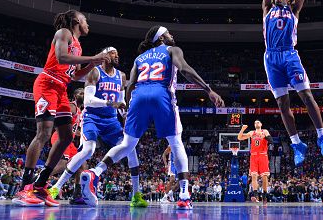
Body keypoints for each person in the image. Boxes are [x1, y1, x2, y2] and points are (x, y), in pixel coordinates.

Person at [80, 26, 224, 209]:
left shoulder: (139, 58)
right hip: (161, 93)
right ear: (161, 39)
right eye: (168, 33)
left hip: (138, 97)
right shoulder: (172, 50)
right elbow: (185, 69)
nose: (172, 35)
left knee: (126, 145)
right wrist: (208, 90)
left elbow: (130, 85)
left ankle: (95, 172)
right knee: (176, 143)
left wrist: (127, 110)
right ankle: (184, 194)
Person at [12, 10, 109, 207]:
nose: (87, 23)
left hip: (62, 88)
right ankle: (25, 187)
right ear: (76, 21)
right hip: (47, 83)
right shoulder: (64, 33)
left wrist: (93, 64)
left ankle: (40, 185)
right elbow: (62, 57)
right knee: (44, 133)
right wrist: (93, 57)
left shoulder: (79, 46)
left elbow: (74, 76)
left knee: (66, 137)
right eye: (85, 20)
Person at [261, 0, 323, 166]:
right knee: (282, 104)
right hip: (271, 58)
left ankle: (322, 137)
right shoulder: (266, 8)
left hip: (290, 55)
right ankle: (296, 143)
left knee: (306, 96)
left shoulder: (294, 10)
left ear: (290, 1)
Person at [49, 47, 127, 204]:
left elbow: (122, 103)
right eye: (113, 53)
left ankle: (94, 173)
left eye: (118, 53)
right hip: (92, 117)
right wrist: (111, 103)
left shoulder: (122, 76)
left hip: (111, 120)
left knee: (127, 146)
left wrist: (126, 115)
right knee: (88, 150)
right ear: (105, 56)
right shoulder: (95, 72)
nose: (116, 55)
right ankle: (56, 187)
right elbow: (88, 101)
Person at [46, 87, 85, 203]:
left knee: (82, 165)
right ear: (75, 96)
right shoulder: (71, 106)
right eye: (80, 93)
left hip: (69, 140)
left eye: (85, 93)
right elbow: (60, 119)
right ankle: (36, 181)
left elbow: (73, 130)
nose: (83, 94)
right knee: (63, 164)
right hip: (60, 136)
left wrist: (81, 133)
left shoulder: (79, 110)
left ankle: (77, 195)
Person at [238, 120, 272, 202]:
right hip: (253, 155)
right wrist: (242, 129)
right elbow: (239, 138)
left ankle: (264, 194)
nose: (256, 123)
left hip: (263, 155)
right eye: (255, 122)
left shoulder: (265, 131)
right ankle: (255, 195)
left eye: (258, 122)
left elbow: (271, 141)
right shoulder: (251, 132)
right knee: (253, 175)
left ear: (261, 124)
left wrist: (265, 136)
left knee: (264, 177)